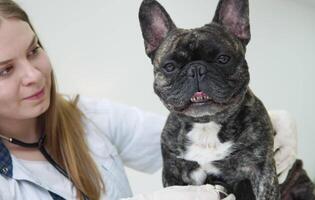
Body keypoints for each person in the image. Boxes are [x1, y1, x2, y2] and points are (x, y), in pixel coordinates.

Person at [0, 0, 297, 199]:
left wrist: (266, 124)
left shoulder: (89, 116)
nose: (33, 75)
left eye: (34, 50)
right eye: (5, 70)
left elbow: (189, 141)